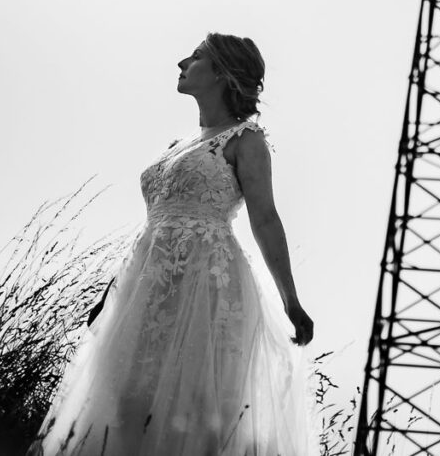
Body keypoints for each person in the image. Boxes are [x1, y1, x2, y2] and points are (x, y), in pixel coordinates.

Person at [27, 32, 316, 455]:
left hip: (206, 285)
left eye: (196, 56)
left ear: (222, 73)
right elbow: (152, 229)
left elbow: (266, 219)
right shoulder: (175, 147)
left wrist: (290, 300)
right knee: (124, 399)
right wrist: (111, 294)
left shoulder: (246, 140)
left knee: (193, 408)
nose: (182, 63)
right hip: (146, 286)